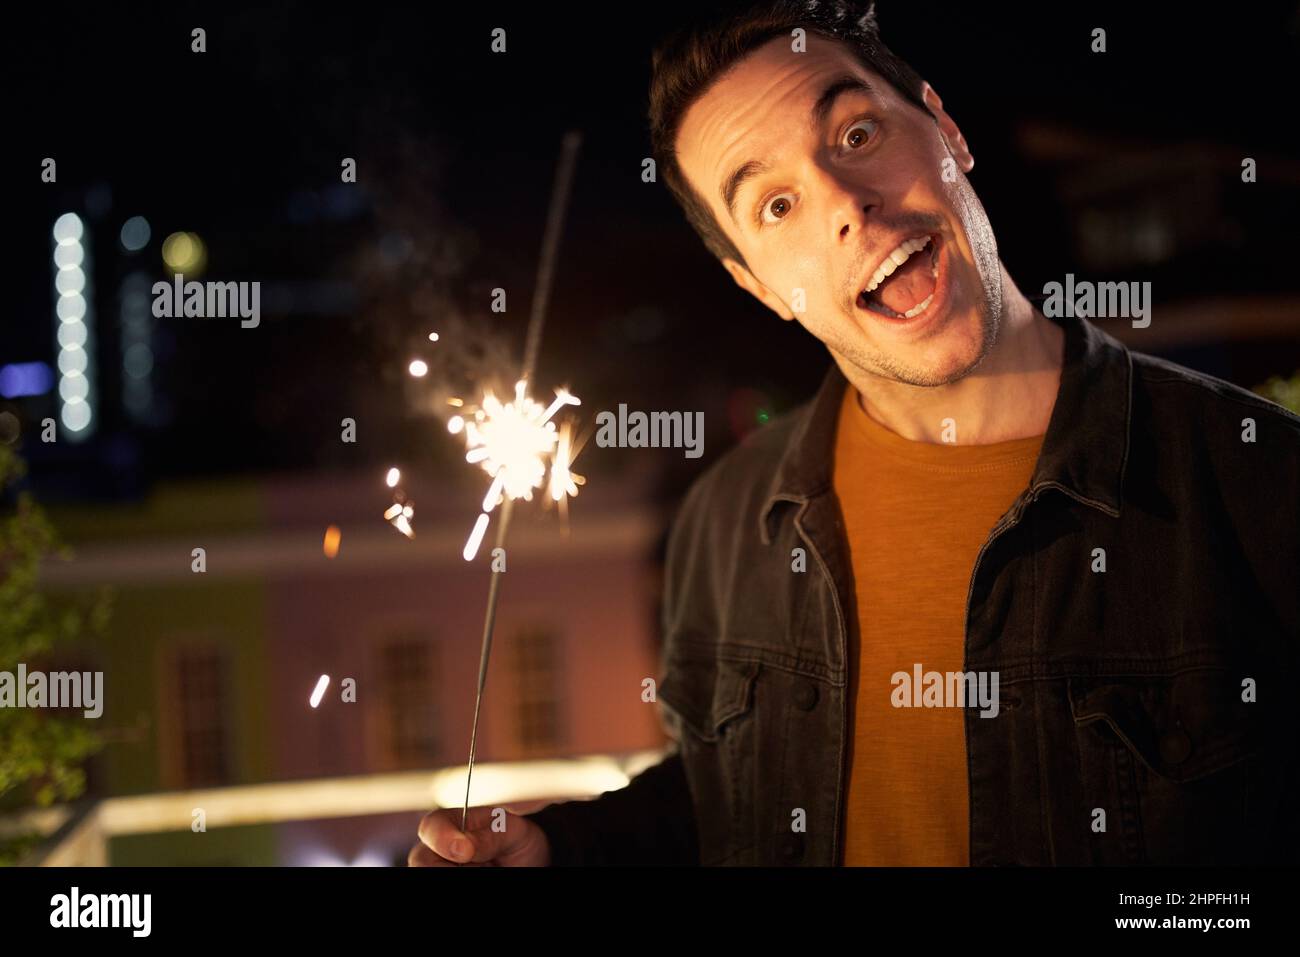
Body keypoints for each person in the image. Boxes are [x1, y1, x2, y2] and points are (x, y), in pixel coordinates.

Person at [410, 0, 1298, 867]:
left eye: (857, 135)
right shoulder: (726, 522)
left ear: (946, 131)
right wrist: (561, 850)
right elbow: (724, 799)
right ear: (756, 284)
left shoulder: (1257, 482)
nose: (845, 203)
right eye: (776, 207)